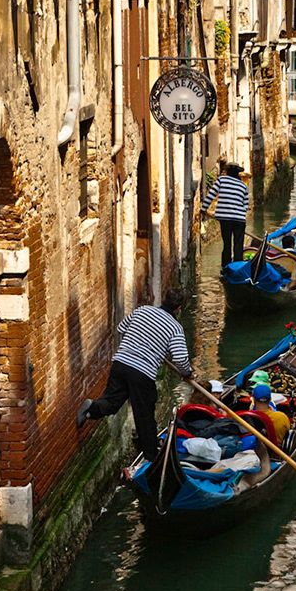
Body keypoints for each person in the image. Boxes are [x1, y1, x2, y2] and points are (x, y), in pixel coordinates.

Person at [77, 291, 194, 466]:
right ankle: (151, 458)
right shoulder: (174, 328)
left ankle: (91, 409)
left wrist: (139, 344)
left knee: (112, 402)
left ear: (164, 301)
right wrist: (187, 374)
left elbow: (121, 328)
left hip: (121, 363)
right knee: (144, 416)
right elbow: (180, 359)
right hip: (142, 373)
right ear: (178, 308)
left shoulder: (142, 311)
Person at [201, 163, 251, 266]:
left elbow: (211, 195)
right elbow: (245, 205)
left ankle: (226, 269)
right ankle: (237, 269)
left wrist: (203, 209)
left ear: (227, 171)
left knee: (227, 245)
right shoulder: (243, 186)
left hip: (225, 219)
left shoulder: (221, 180)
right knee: (238, 246)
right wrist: (239, 213)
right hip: (239, 219)